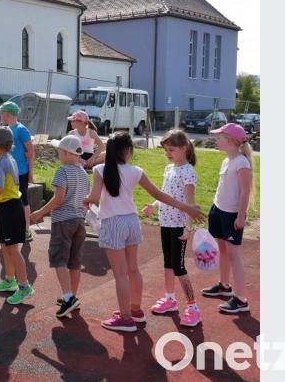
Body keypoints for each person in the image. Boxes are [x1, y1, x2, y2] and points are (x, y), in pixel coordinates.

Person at [84, 132, 205, 332]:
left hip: (112, 223)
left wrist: (86, 201)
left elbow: (94, 197)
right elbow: (158, 194)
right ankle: (136, 311)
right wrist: (187, 208)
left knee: (120, 274)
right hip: (132, 222)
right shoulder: (136, 171)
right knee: (133, 269)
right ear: (128, 151)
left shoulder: (99, 169)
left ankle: (125, 319)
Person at [141, 129, 202, 326]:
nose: (168, 153)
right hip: (165, 222)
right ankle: (170, 299)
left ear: (184, 148)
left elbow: (191, 204)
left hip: (179, 226)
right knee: (168, 263)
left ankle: (193, 307)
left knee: (179, 266)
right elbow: (165, 194)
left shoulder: (188, 172)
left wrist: (188, 228)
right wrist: (154, 205)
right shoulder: (169, 169)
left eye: (171, 149)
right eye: (166, 150)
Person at [30, 135, 90, 318]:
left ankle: (68, 297)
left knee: (59, 259)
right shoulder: (84, 174)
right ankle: (72, 297)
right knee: (75, 261)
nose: (58, 153)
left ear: (65, 153)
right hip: (80, 221)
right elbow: (85, 200)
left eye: (59, 150)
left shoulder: (62, 172)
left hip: (63, 221)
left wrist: (40, 212)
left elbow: (59, 198)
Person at [200, 123, 255, 314]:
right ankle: (224, 285)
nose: (217, 140)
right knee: (222, 249)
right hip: (219, 210)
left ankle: (240, 299)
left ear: (231, 141)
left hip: (232, 214)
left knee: (233, 255)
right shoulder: (226, 161)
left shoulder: (242, 162)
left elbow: (245, 192)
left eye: (220, 137)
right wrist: (214, 209)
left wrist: (241, 216)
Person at [0, 126, 34, 305]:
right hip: (12, 205)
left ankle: (24, 287)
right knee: (5, 245)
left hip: (11, 207)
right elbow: (2, 185)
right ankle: (10, 280)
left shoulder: (0, 162)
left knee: (13, 249)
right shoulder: (10, 158)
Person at [0, 101, 35, 241]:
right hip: (7, 173)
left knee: (22, 200)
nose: (1, 115)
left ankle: (26, 230)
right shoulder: (6, 129)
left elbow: (31, 151)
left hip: (20, 173)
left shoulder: (21, 130)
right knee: (9, 199)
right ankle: (12, 228)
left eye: (2, 112)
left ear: (7, 114)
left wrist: (30, 172)